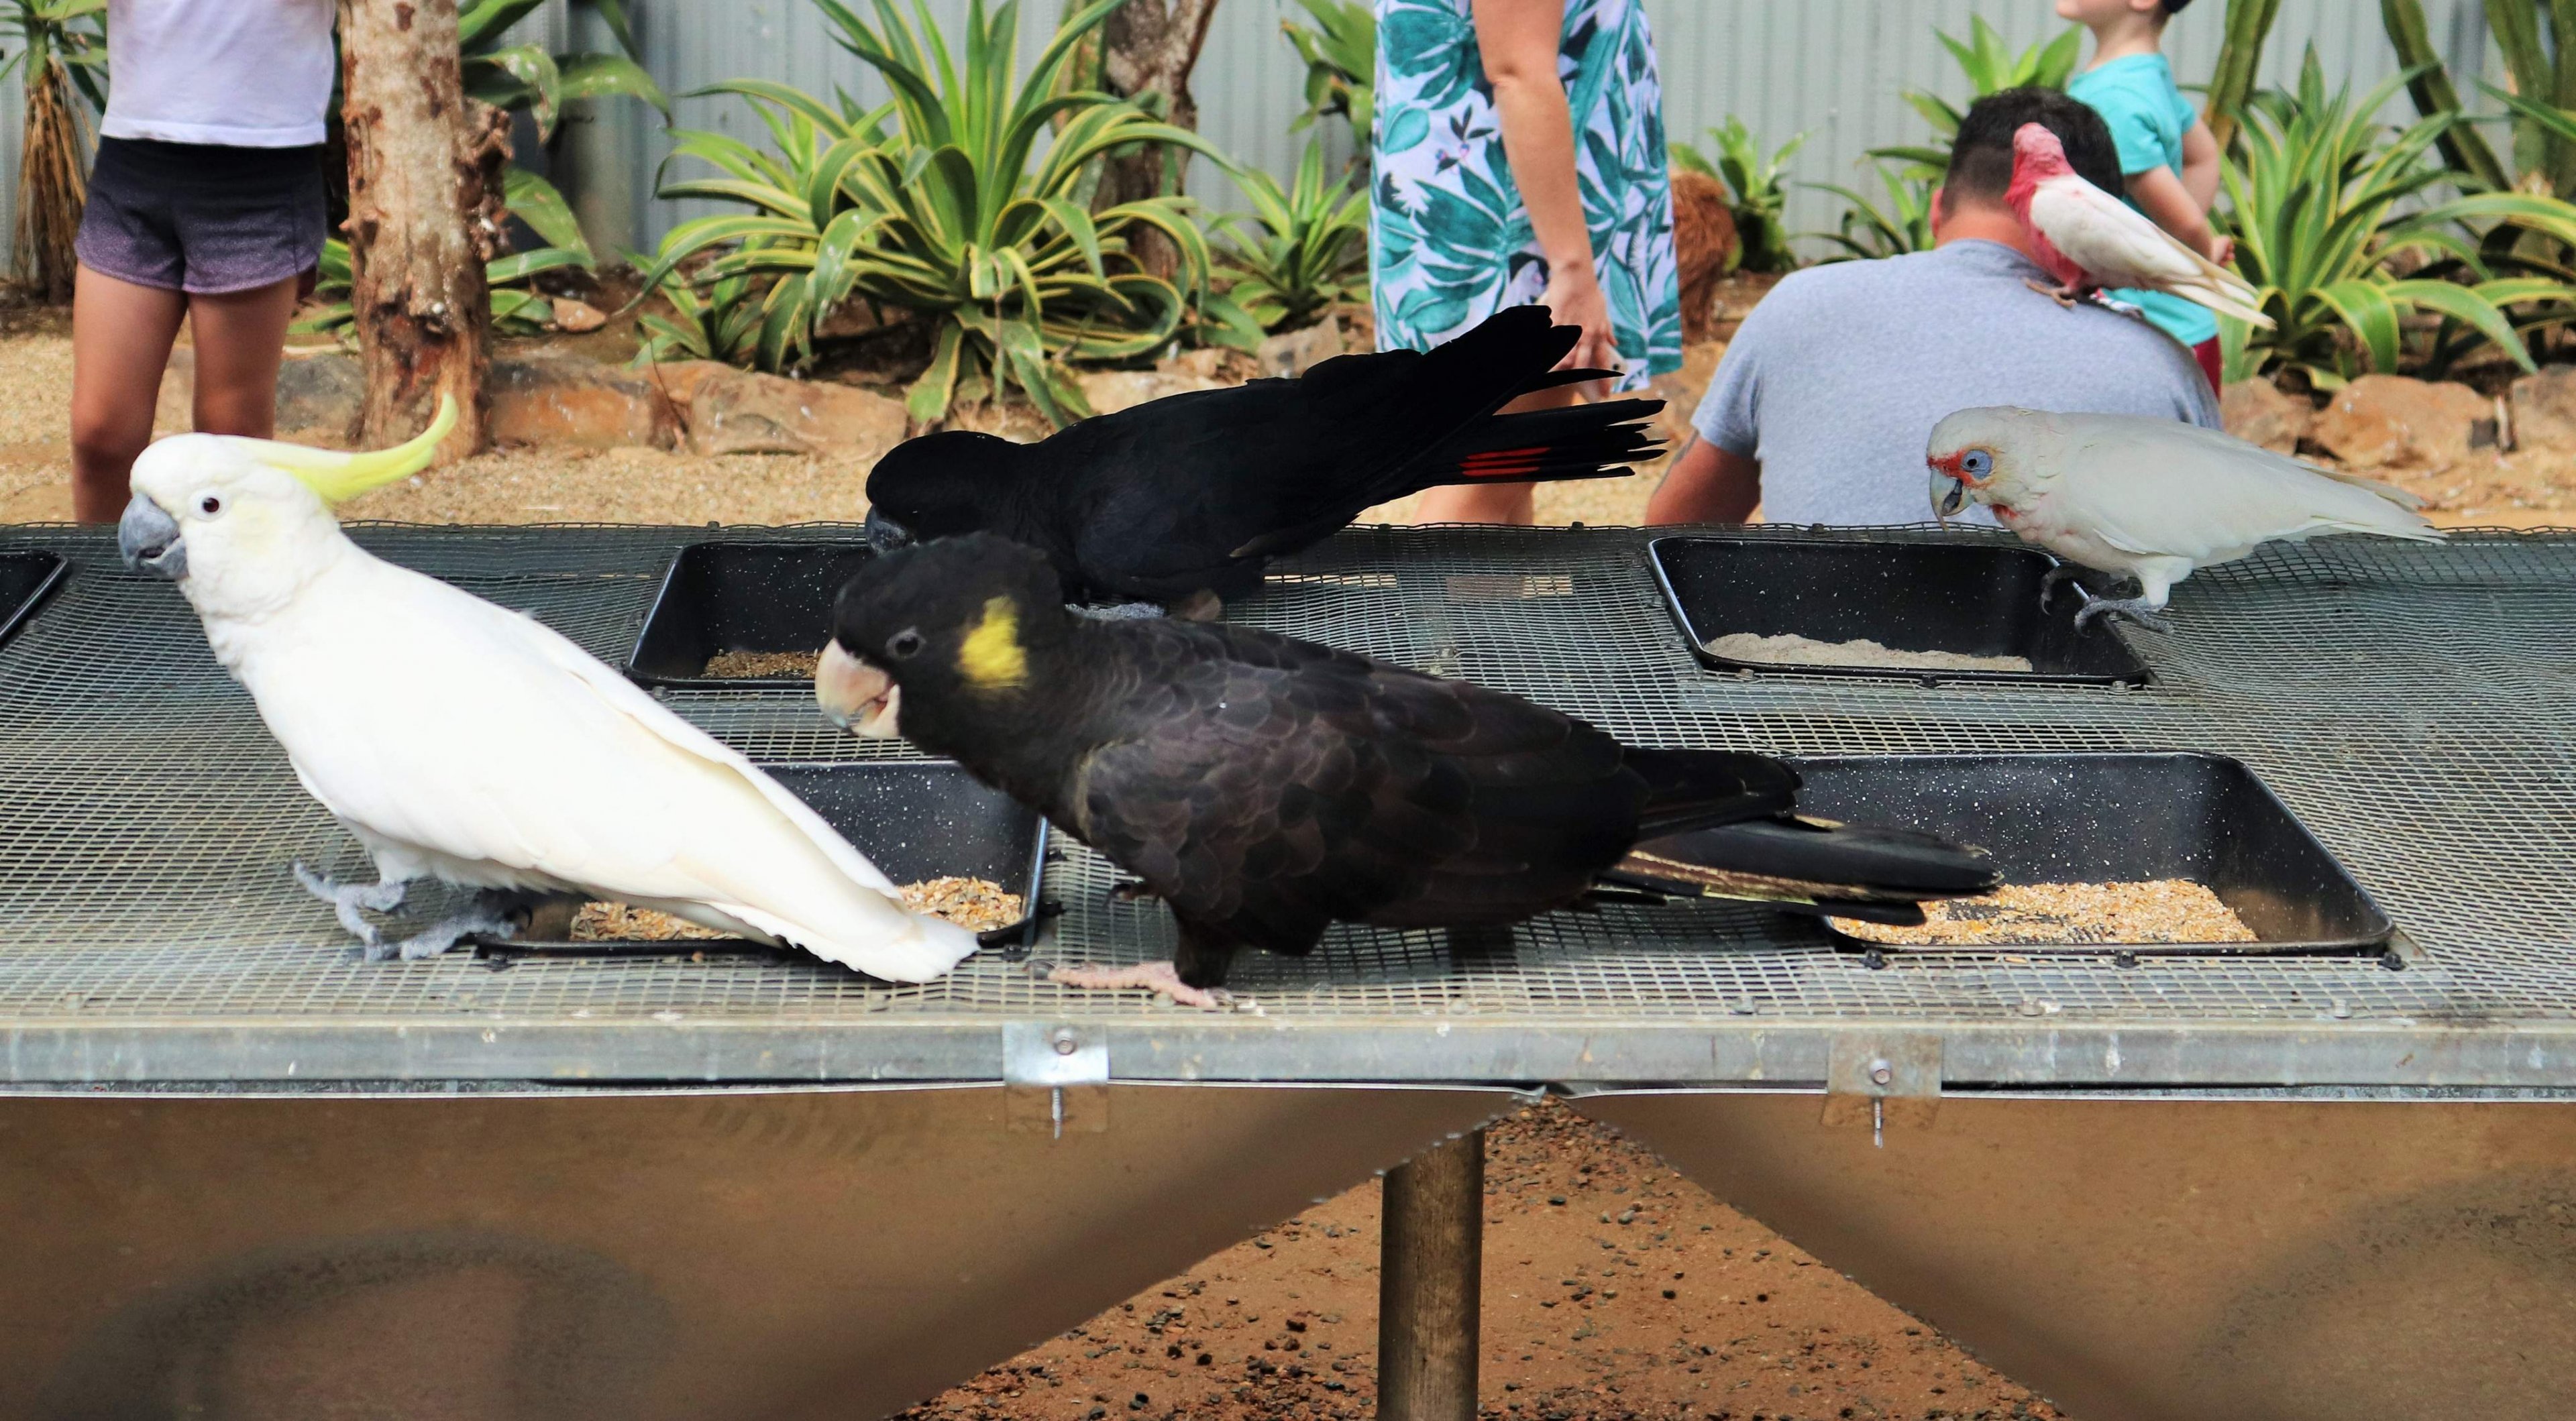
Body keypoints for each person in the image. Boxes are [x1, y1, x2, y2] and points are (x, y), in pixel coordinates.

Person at [1646, 88, 2220, 528]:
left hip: (1809, 679)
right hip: (2078, 685)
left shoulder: (1798, 305)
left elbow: (1670, 534)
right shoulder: (2164, 369)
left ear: (1938, 206)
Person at [1371, 0, 1683, 525]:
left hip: (1516, 212)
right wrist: (1573, 269)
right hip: (1523, 232)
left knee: (1505, 481)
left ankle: (1488, 614)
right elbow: (1518, 71)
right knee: (1486, 483)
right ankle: (1392, 614)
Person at [68, 0, 338, 524]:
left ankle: (234, 602)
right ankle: (106, 597)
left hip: (259, 167)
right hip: (134, 158)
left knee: (230, 443)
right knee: (101, 435)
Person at [2061, 0, 2230, 390]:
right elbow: (2203, 158)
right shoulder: (2144, 72)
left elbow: (2188, 222)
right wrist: (2181, 250)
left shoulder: (2114, 96)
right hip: (2173, 332)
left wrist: (2198, 259)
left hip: (2154, 344)